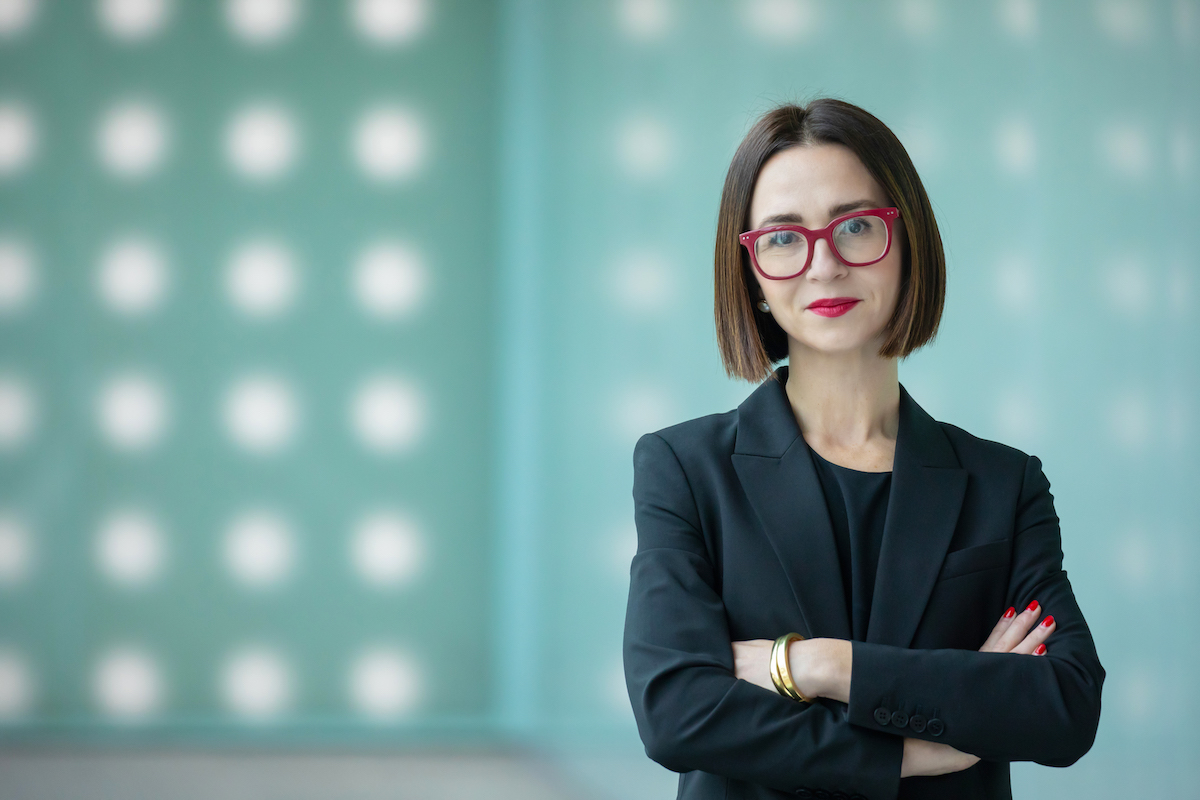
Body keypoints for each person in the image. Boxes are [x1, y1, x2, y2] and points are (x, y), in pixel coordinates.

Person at [622, 98, 1104, 800]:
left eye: (854, 226)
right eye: (784, 239)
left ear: (907, 243)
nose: (824, 265)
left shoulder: (1005, 483)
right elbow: (676, 714)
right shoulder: (683, 468)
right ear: (752, 275)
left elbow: (1063, 706)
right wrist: (918, 750)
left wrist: (815, 665)